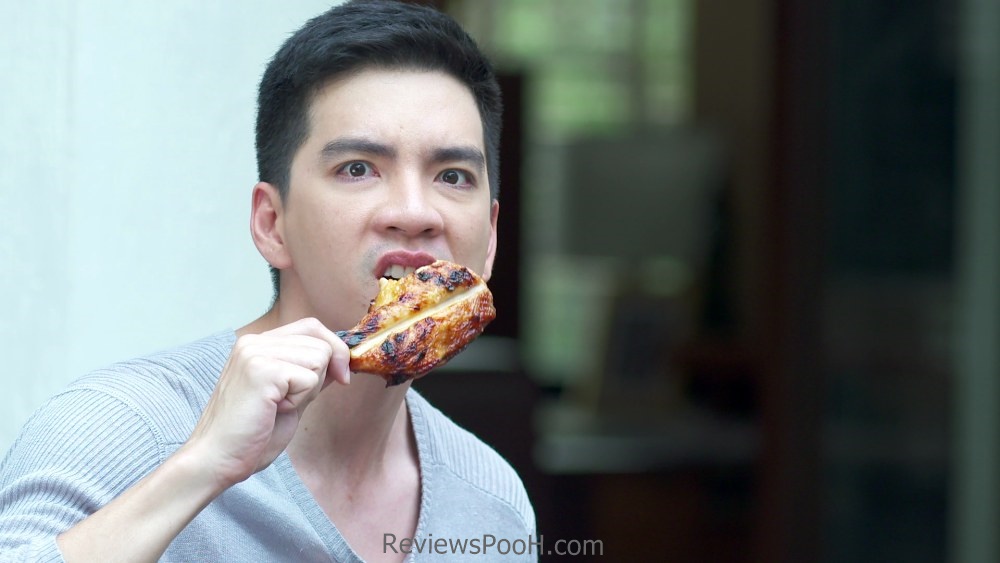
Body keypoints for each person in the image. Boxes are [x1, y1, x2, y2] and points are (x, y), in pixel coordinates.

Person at [0, 1, 535, 561]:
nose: (414, 211)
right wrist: (202, 466)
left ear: (490, 238)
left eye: (453, 176)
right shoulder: (118, 427)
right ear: (271, 224)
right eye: (357, 168)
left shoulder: (493, 503)